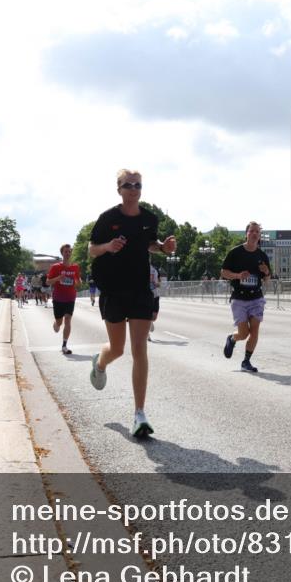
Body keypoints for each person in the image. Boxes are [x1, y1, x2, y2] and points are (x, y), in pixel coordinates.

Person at [88, 169, 177, 438]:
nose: (134, 189)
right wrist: (107, 247)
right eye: (128, 185)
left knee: (140, 348)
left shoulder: (149, 218)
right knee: (117, 349)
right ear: (119, 189)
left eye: (138, 184)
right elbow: (91, 249)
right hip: (113, 289)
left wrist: (164, 247)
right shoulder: (108, 218)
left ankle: (139, 413)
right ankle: (100, 363)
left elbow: (151, 244)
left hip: (140, 288)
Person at [220, 221, 271, 373]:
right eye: (252, 231)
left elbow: (267, 279)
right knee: (243, 334)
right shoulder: (235, 252)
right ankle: (232, 338)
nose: (255, 234)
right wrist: (237, 275)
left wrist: (267, 271)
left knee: (254, 331)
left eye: (257, 232)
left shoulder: (262, 255)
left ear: (259, 236)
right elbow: (223, 272)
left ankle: (246, 361)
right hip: (239, 298)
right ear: (246, 234)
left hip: (256, 298)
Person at [47, 243, 81, 354]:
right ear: (62, 253)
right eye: (65, 251)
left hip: (70, 297)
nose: (67, 253)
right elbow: (48, 282)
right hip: (58, 298)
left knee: (68, 319)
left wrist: (78, 282)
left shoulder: (75, 267)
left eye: (69, 251)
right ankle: (56, 323)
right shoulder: (55, 267)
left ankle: (64, 345)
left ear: (71, 253)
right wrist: (58, 278)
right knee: (59, 324)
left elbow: (78, 283)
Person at [147, 262, 161, 338]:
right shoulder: (139, 267)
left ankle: (150, 322)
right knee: (147, 314)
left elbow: (159, 281)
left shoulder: (155, 269)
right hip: (146, 295)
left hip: (155, 294)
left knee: (154, 317)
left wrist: (157, 283)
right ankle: (147, 334)